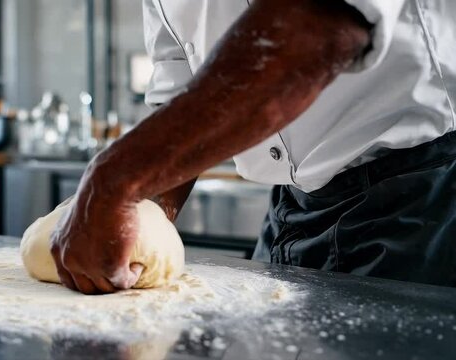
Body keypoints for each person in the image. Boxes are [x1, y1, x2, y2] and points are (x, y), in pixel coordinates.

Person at [50, 0, 456, 294]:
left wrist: (116, 180)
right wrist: (140, 221)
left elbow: (318, 28)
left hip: (423, 199)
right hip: (292, 208)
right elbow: (178, 94)